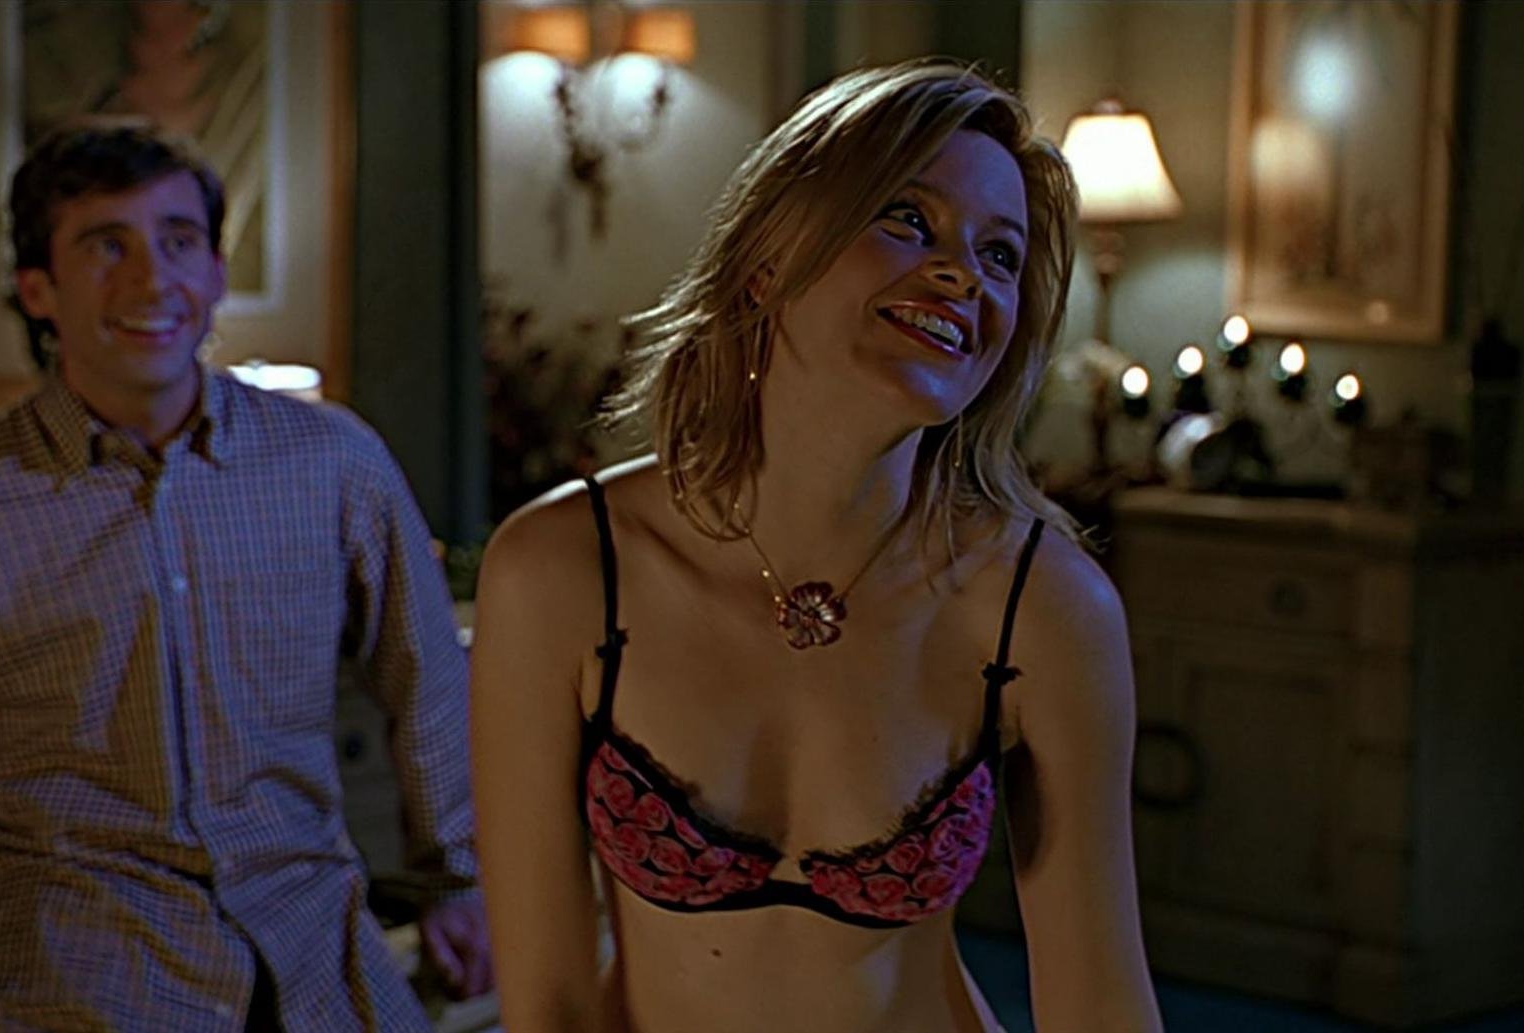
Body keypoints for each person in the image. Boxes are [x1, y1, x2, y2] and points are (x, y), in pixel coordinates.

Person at [0, 124, 491, 1030]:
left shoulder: (334, 463)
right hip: (81, 981)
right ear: (37, 289)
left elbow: (431, 681)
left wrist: (462, 879)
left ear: (216, 273)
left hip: (318, 966)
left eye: (179, 241)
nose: (153, 281)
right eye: (106, 246)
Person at [470, 62, 1163, 1032]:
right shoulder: (564, 569)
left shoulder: (1040, 604)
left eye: (1000, 255)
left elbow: (1102, 1005)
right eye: (909, 220)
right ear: (768, 262)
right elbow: (548, 1006)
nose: (963, 273)